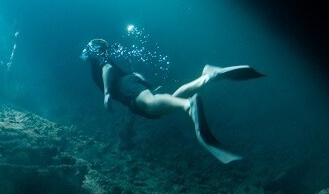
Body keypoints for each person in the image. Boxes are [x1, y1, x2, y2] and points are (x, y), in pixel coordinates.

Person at [79, 38, 265, 164]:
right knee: (164, 105)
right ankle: (208, 76)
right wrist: (145, 85)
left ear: (93, 50)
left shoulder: (99, 61)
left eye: (87, 49)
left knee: (154, 105)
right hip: (130, 85)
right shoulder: (104, 58)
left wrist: (106, 93)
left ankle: (188, 106)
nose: (85, 53)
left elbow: (108, 69)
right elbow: (134, 74)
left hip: (125, 88)